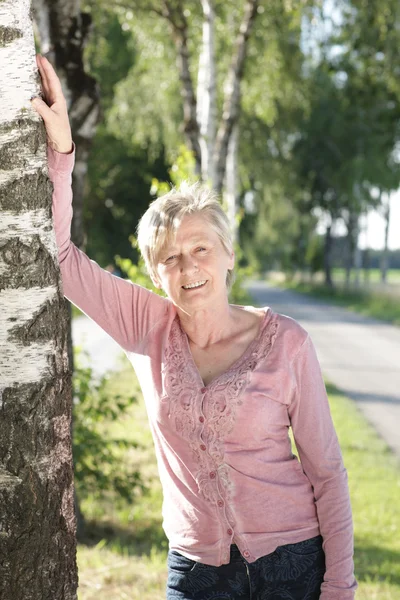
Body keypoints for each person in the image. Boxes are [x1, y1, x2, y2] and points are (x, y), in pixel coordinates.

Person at [31, 54, 357, 600]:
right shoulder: (145, 325)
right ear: (155, 272)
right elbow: (61, 258)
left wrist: (339, 586)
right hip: (196, 573)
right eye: (169, 257)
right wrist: (62, 149)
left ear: (228, 255)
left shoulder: (288, 344)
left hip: (294, 564)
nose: (187, 267)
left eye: (200, 249)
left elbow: (327, 473)